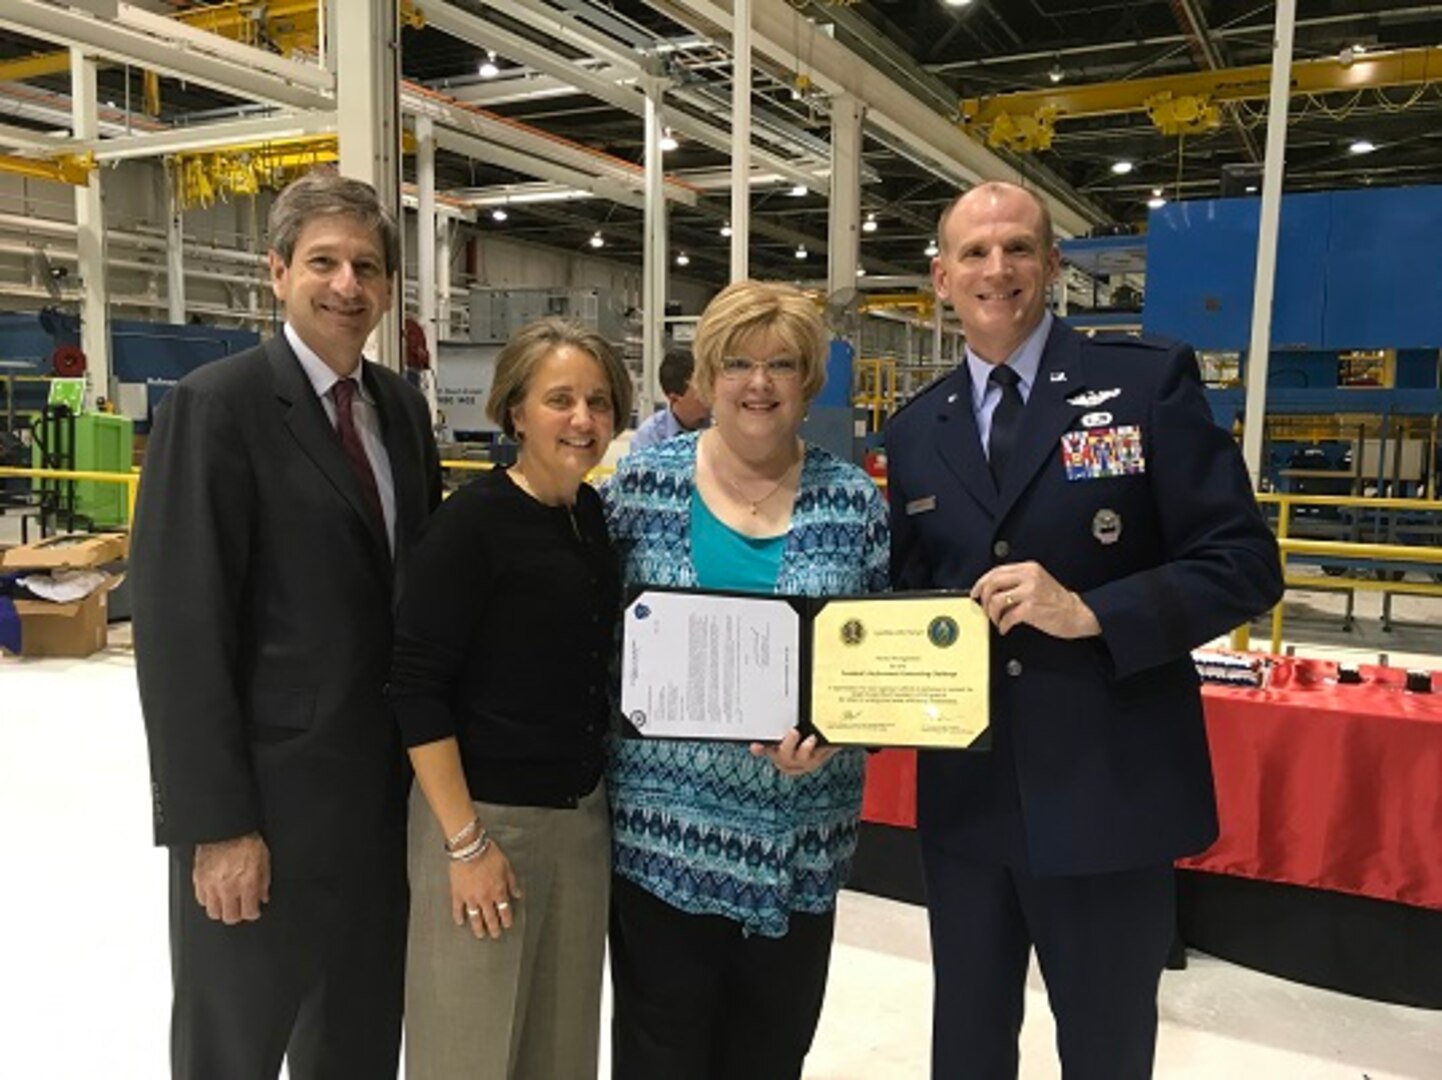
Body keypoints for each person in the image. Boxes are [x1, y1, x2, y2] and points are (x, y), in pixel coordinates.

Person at [885, 180, 1283, 1079]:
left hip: (1107, 795)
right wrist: (837, 714)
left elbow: (1245, 565)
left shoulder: (1143, 385)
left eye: (1019, 247)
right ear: (941, 279)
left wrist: (1094, 610)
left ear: (1052, 265)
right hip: (968, 806)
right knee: (968, 1050)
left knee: (1106, 1052)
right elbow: (905, 602)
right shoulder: (917, 431)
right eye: (976, 254)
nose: (999, 269)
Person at [130, 170, 443, 1080]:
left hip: (383, 817)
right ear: (277, 272)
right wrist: (216, 827)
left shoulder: (400, 410)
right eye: (324, 262)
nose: (348, 284)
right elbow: (180, 632)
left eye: (368, 267)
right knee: (233, 1048)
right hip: (264, 821)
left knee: (355, 1045)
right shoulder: (217, 408)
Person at [602, 279, 890, 1079]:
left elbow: (879, 661)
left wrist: (839, 736)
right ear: (705, 378)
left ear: (809, 383)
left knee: (770, 1056)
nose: (758, 383)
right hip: (662, 848)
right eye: (736, 363)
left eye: (782, 364)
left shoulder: (852, 502)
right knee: (658, 1055)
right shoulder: (641, 487)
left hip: (800, 846)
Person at [388, 317, 632, 1079]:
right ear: (515, 411)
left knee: (560, 1054)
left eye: (598, 400)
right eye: (559, 398)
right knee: (468, 1049)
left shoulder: (589, 519)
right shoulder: (471, 526)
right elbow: (416, 687)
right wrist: (466, 846)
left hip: (580, 822)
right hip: (483, 822)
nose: (583, 419)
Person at [630, 346, 709, 451]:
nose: (710, 395)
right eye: (702, 391)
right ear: (674, 398)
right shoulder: (649, 437)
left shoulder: (722, 425)